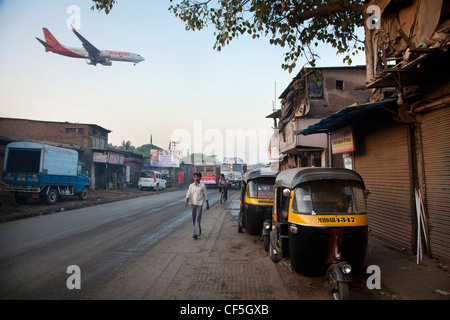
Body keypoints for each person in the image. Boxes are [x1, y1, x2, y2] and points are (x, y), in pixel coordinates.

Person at [185, 172, 209, 239]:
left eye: (197, 177)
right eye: (195, 177)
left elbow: (205, 195)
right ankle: (199, 230)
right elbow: (188, 194)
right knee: (194, 218)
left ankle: (195, 233)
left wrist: (207, 204)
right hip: (193, 204)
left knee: (198, 219)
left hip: (200, 204)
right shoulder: (191, 186)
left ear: (200, 178)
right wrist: (186, 201)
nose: (196, 178)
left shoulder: (202, 186)